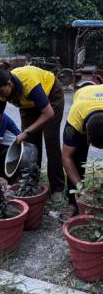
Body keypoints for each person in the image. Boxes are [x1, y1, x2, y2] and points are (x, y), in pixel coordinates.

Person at [0, 61, 65, 202]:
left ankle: (57, 188)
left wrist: (27, 131)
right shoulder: (0, 93)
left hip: (51, 96)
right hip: (28, 104)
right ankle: (32, 182)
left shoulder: (28, 82)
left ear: (9, 83)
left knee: (51, 141)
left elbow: (48, 114)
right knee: (30, 145)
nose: (0, 96)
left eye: (0, 92)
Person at [61, 83, 103, 221]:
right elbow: (66, 157)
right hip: (83, 94)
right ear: (87, 136)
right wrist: (80, 188)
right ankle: (73, 202)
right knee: (78, 159)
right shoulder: (75, 122)